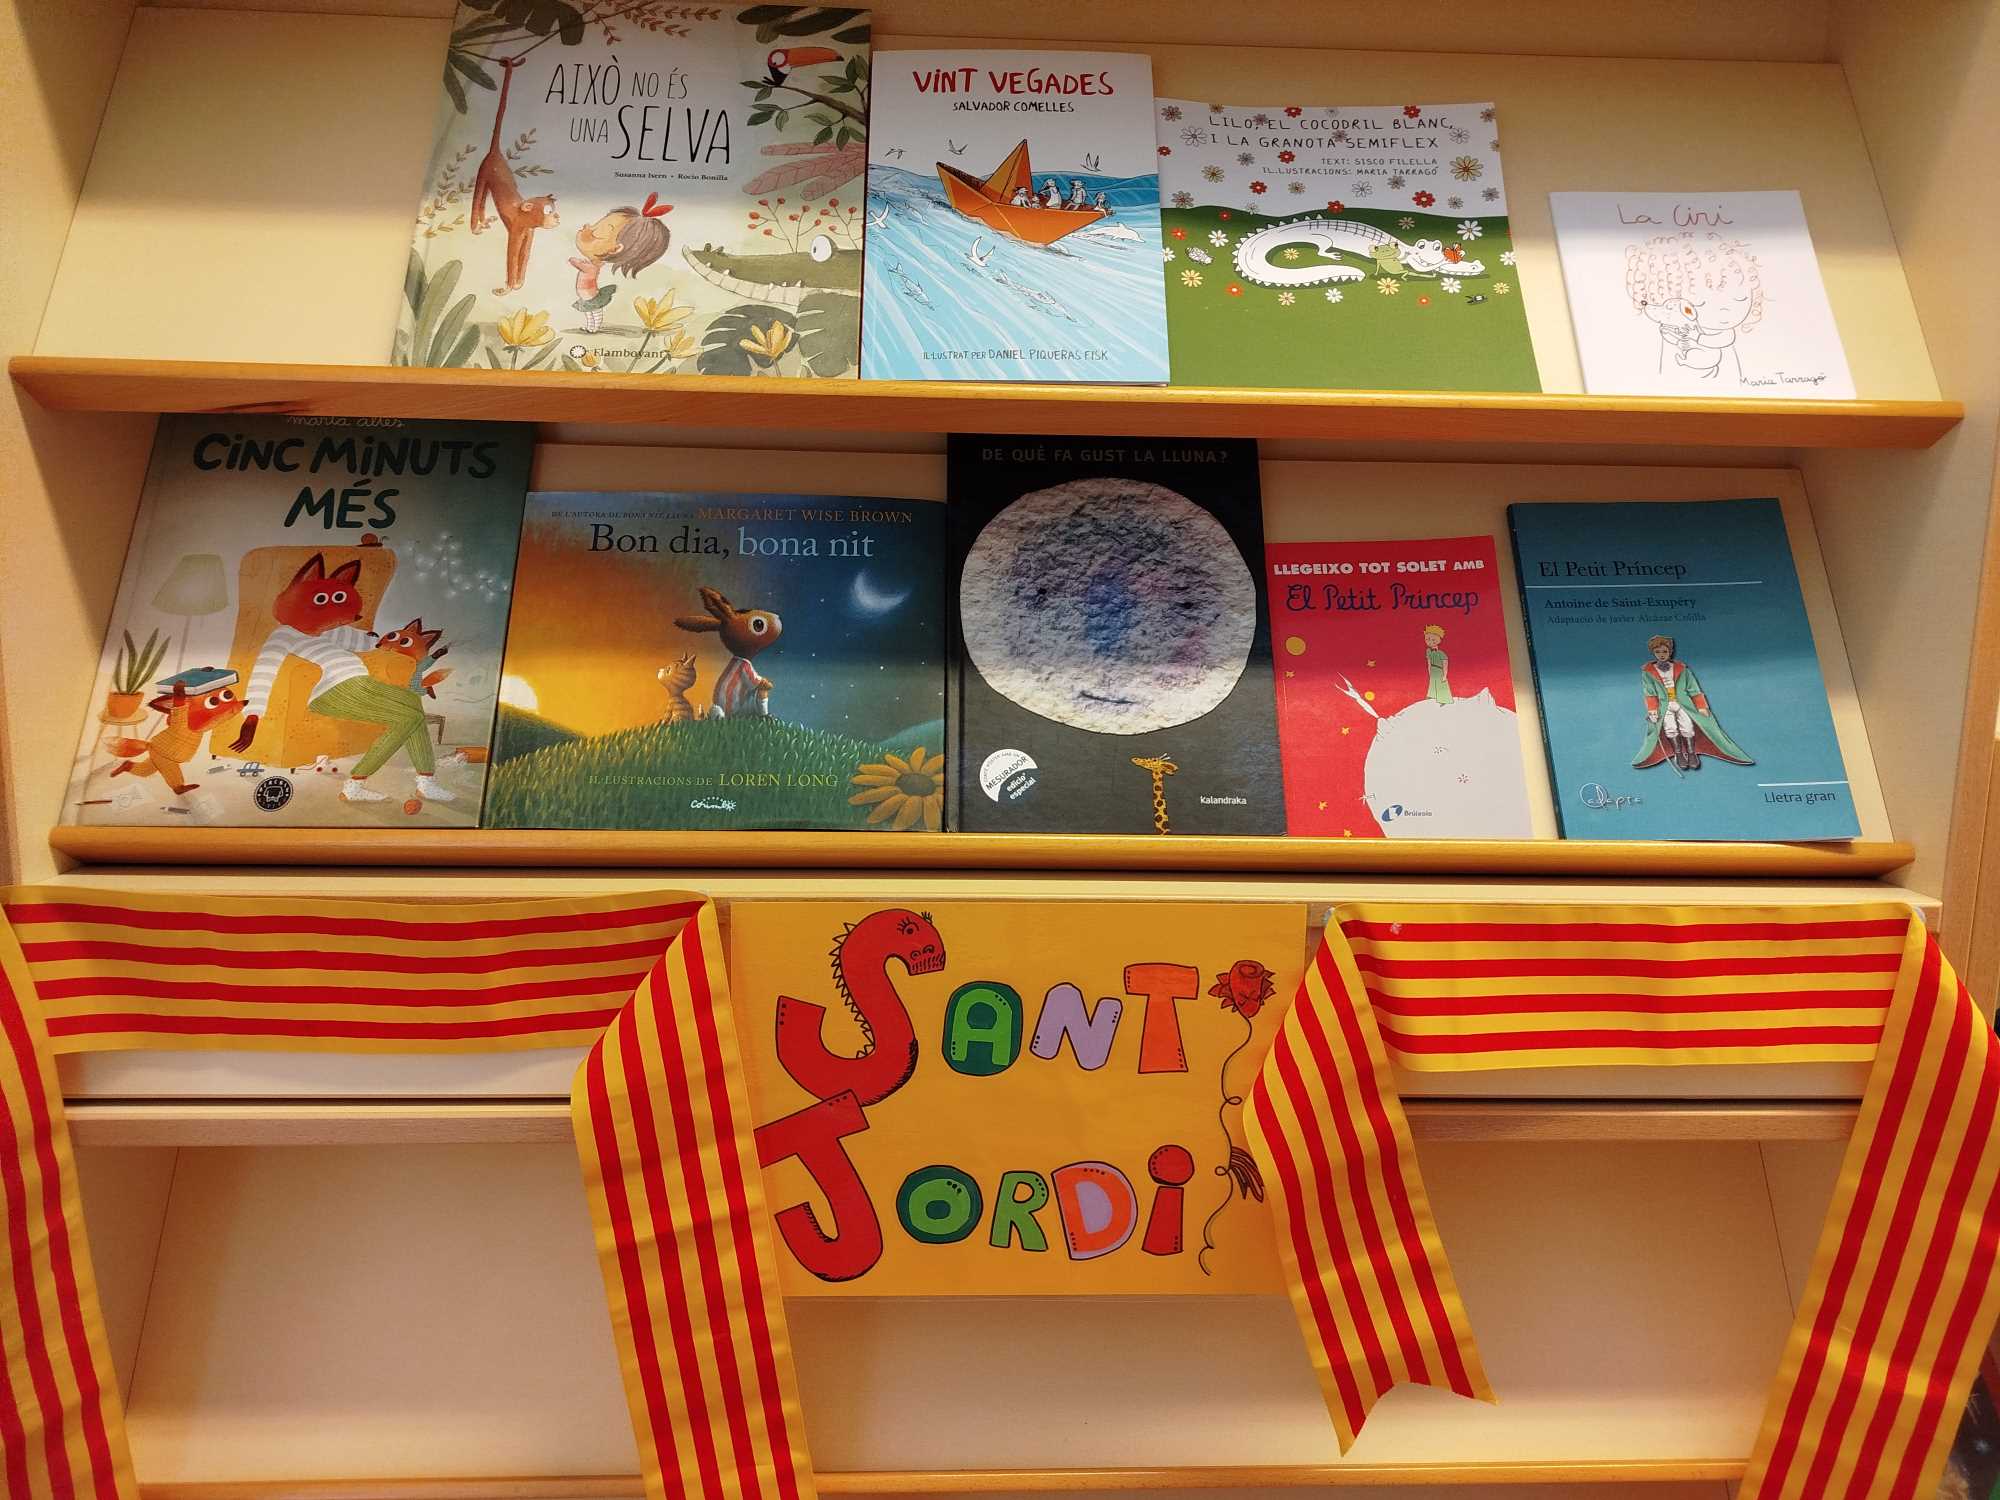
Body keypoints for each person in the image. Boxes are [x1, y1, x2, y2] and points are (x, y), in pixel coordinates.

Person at [1632, 633, 1754, 772]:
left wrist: (1701, 706)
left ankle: (1691, 753)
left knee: (1688, 726)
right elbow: (1650, 693)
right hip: (1664, 706)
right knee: (1670, 728)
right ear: (1653, 653)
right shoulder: (1648, 672)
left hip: (1684, 704)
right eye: (1658, 652)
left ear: (1670, 651)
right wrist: (1652, 710)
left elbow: (1694, 689)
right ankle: (1678, 754)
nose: (1661, 655)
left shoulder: (1682, 669)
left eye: (1664, 651)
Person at [1422, 624, 1451, 706]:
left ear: (1439, 640)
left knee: (1441, 684)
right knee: (1432, 683)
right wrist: (1429, 671)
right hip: (1433, 670)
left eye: (1433, 639)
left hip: (1439, 670)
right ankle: (1432, 696)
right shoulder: (1428, 651)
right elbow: (1429, 663)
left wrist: (1445, 675)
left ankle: (1444, 699)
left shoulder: (1442, 654)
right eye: (1427, 639)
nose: (1430, 641)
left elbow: (1445, 665)